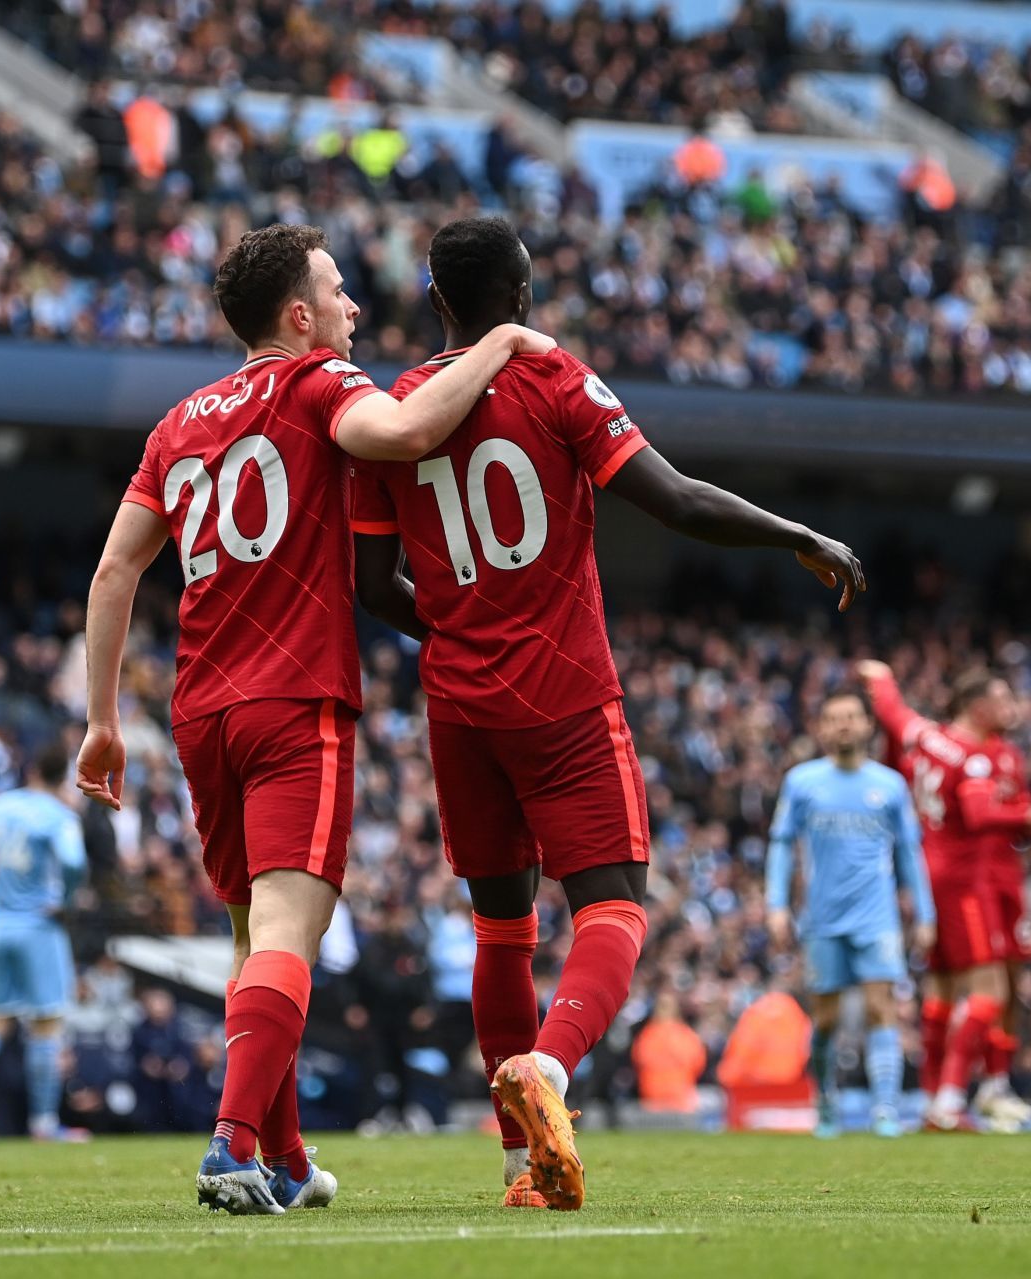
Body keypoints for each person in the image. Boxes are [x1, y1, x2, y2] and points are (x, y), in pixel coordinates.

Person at [353, 214, 862, 1210]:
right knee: (614, 904)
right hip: (565, 693)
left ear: (438, 300)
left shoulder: (394, 409)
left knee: (501, 929)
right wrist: (794, 530)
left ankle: (518, 1166)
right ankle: (551, 1066)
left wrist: (460, 631)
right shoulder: (555, 379)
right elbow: (671, 499)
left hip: (460, 704)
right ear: (525, 291)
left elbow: (373, 584)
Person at [75, 222, 554, 1215]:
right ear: (299, 315)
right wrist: (499, 345)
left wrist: (101, 718)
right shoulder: (319, 385)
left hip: (203, 709)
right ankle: (231, 1146)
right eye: (338, 293)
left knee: (257, 945)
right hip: (295, 701)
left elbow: (117, 566)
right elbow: (407, 435)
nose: (352, 309)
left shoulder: (180, 422)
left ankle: (286, 1157)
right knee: (290, 935)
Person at [857, 662, 1031, 1132]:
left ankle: (934, 1096)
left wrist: (880, 680)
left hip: (927, 874)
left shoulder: (926, 736)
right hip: (963, 880)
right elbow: (980, 817)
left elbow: (894, 713)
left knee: (939, 990)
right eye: (1001, 698)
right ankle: (950, 1100)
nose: (1009, 707)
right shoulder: (971, 756)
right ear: (978, 706)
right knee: (989, 990)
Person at [766, 690, 933, 1138]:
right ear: (821, 728)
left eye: (851, 717)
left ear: (866, 725)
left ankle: (885, 1110)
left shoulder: (890, 785)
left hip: (877, 920)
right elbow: (782, 846)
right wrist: (776, 906)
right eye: (834, 718)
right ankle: (825, 1102)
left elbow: (911, 855)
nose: (843, 725)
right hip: (821, 920)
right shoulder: (802, 782)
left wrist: (927, 914)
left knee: (883, 1009)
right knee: (826, 1020)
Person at [0, 742, 89, 1142]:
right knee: (46, 1024)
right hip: (38, 927)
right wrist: (66, 899)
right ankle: (43, 1123)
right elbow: (74, 862)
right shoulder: (58, 815)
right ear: (63, 779)